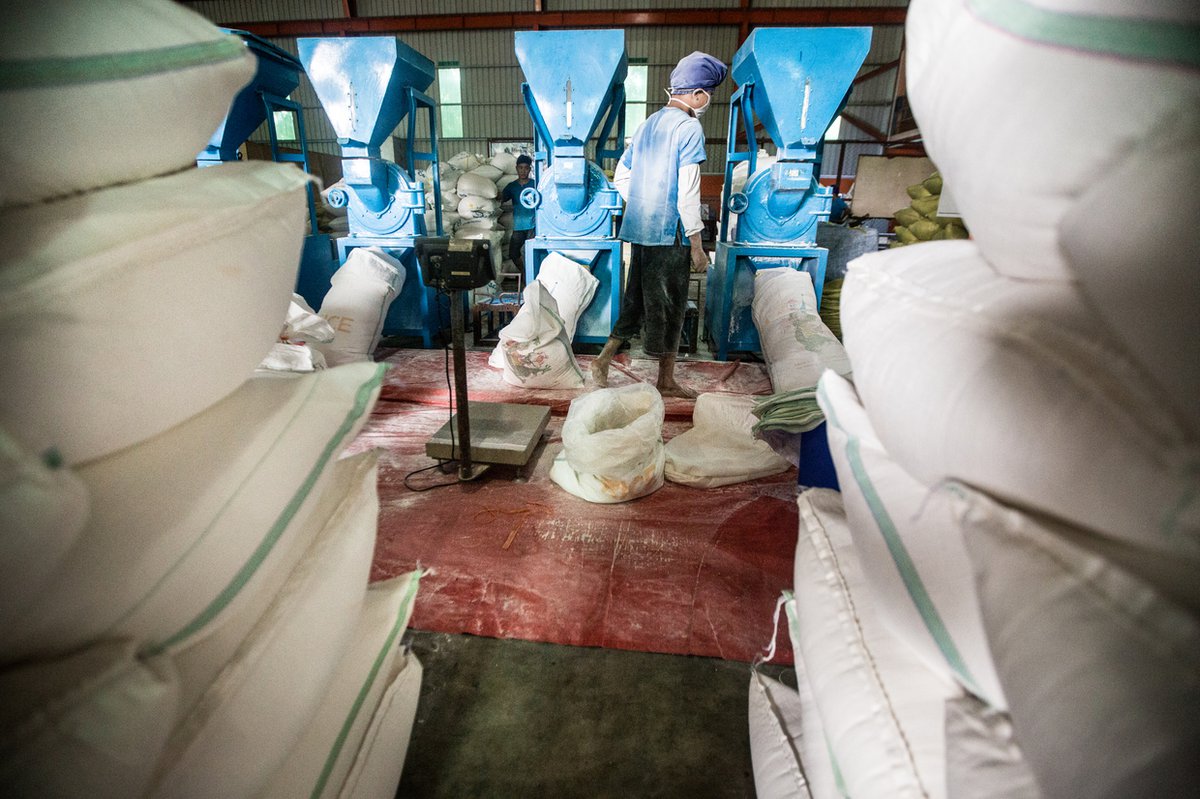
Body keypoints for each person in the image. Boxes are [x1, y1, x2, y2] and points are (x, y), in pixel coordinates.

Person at [591, 51, 728, 398]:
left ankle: (604, 358)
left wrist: (642, 203)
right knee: (672, 304)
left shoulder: (648, 123)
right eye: (708, 94)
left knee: (635, 298)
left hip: (641, 229)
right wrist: (697, 246)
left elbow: (622, 176)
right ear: (698, 94)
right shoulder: (689, 127)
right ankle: (665, 379)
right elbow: (687, 193)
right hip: (671, 234)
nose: (707, 100)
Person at [500, 154, 536, 277]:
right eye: (520, 168)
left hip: (533, 225)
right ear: (516, 168)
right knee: (513, 253)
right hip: (519, 226)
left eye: (526, 168)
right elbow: (501, 199)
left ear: (530, 169)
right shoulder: (512, 187)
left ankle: (535, 276)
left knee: (533, 252)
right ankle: (525, 274)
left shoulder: (535, 185)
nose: (523, 171)